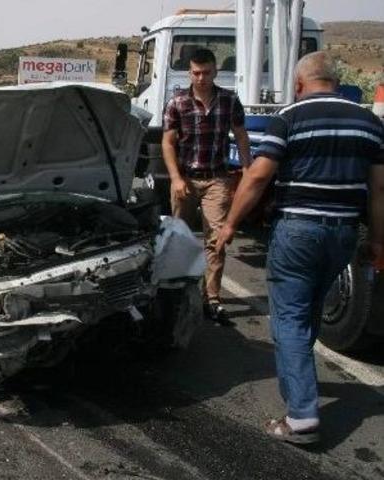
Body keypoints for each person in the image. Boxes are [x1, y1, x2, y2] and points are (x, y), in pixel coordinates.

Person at [215, 51, 384, 444]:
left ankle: (302, 417)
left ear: (299, 84)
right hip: (343, 233)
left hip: (298, 230)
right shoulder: (369, 122)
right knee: (310, 311)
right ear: (337, 83)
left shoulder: (290, 117)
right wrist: (377, 240)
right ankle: (299, 384)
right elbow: (379, 189)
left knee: (289, 318)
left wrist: (230, 224)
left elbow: (258, 176)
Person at [162, 48, 252, 326]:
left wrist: (248, 169)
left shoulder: (229, 100)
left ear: (215, 72)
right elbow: (168, 142)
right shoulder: (177, 102)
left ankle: (211, 298)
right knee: (180, 238)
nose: (201, 78)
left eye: (206, 73)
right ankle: (176, 293)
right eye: (196, 73)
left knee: (216, 239)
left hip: (217, 179)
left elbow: (241, 135)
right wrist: (176, 178)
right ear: (189, 73)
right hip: (186, 180)